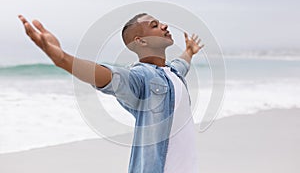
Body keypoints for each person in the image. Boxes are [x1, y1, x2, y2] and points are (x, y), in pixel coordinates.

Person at [18, 13, 204, 173]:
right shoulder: (141, 78)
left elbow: (182, 63)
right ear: (141, 40)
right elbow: (110, 77)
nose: (164, 25)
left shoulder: (173, 71)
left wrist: (189, 51)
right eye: (154, 25)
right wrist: (63, 59)